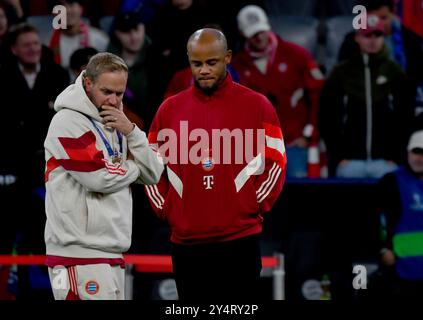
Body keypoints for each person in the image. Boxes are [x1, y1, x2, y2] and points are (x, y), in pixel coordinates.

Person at [145, 28, 287, 300]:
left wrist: (251, 204)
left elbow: (276, 162)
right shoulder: (169, 110)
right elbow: (151, 168)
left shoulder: (258, 105)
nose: (204, 70)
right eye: (196, 64)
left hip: (240, 240)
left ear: (228, 58)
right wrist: (168, 208)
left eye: (211, 62)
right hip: (187, 242)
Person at [44, 52, 164, 300]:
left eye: (119, 94)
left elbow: (154, 171)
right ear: (88, 83)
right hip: (76, 253)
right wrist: (133, 169)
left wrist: (131, 131)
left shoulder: (117, 123)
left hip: (110, 250)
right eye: (106, 91)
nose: (113, 100)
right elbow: (98, 177)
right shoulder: (66, 121)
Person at [232, 5, 324, 178]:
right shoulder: (238, 65)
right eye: (253, 34)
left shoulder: (296, 55)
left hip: (294, 143)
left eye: (261, 31)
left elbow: (318, 95)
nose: (259, 37)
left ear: (268, 27)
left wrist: (309, 134)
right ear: (243, 34)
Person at [319, 14, 414, 178]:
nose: (372, 40)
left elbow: (405, 117)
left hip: (385, 164)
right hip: (349, 163)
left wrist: (396, 157)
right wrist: (338, 156)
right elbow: (327, 117)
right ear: (357, 38)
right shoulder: (341, 73)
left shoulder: (395, 73)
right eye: (367, 35)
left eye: (377, 35)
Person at [376, 130, 423, 299]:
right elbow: (375, 219)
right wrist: (382, 249)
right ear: (408, 152)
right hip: (400, 273)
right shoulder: (390, 181)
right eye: (416, 152)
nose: (420, 158)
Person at [49, 0, 109, 69]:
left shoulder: (100, 39)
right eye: (60, 6)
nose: (67, 11)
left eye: (71, 4)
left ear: (81, 8)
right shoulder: (46, 42)